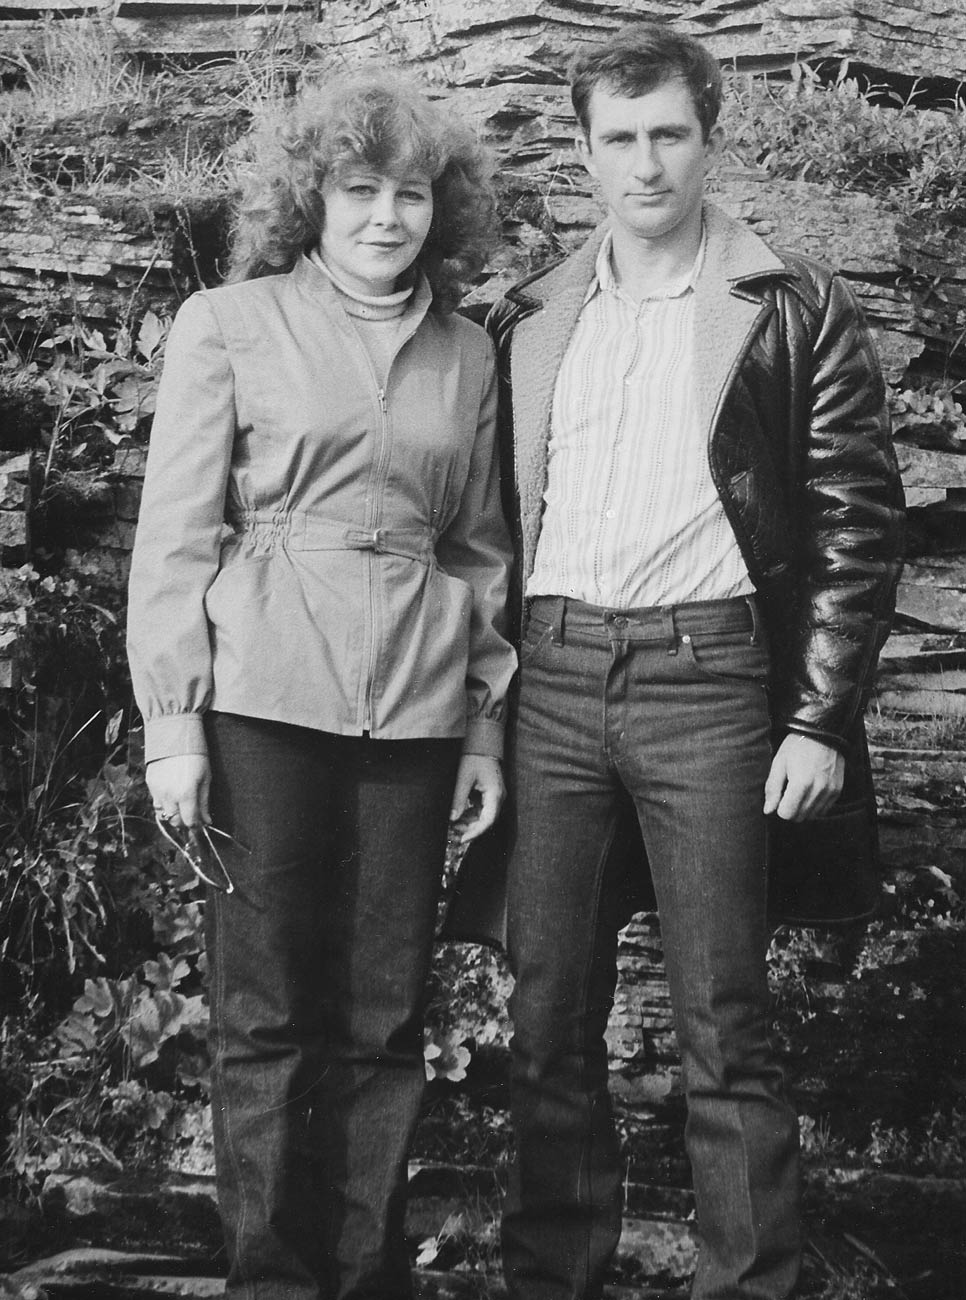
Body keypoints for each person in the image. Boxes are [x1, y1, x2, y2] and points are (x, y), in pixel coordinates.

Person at [484, 23, 904, 1300]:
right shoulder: (533, 314)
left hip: (710, 678)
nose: (647, 162)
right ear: (585, 152)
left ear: (709, 138)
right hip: (554, 676)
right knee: (547, 1014)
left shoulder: (791, 306)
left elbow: (857, 520)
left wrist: (817, 718)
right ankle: (553, 1276)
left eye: (670, 132)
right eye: (620, 139)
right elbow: (492, 522)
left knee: (726, 1017)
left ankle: (752, 1281)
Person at [126, 74, 516, 1300]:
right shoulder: (229, 323)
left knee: (385, 1013)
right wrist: (174, 725)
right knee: (265, 1010)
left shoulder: (469, 353)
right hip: (261, 700)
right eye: (360, 191)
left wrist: (483, 730)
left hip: (417, 709)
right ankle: (270, 1276)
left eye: (411, 194)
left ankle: (365, 1274)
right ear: (315, 200)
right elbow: (174, 538)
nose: (386, 217)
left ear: (440, 210)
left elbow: (479, 553)